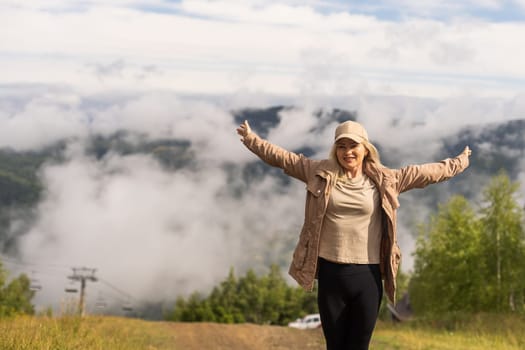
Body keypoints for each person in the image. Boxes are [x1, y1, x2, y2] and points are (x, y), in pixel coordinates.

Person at [236, 119, 471, 350]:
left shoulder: (386, 179)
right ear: (335, 149)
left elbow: (427, 173)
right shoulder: (319, 172)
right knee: (335, 346)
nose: (347, 152)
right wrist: (251, 139)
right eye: (341, 146)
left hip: (367, 277)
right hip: (331, 275)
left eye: (353, 146)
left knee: (359, 346)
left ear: (365, 148)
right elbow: (283, 159)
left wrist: (459, 163)